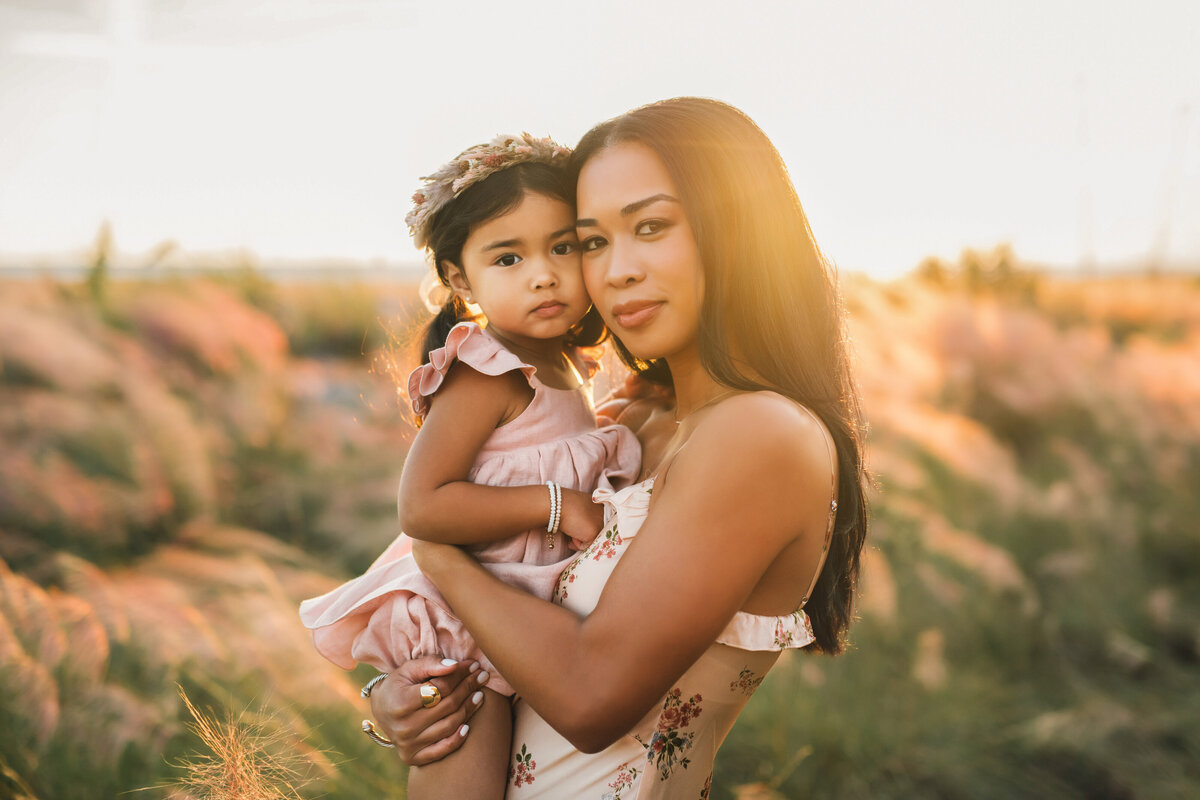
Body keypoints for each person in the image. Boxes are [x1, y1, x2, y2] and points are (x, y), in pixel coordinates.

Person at [368, 97, 869, 797]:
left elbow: (588, 700)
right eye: (592, 241)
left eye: (652, 226)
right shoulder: (625, 428)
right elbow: (511, 610)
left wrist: (438, 557)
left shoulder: (763, 434)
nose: (617, 270)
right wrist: (410, 699)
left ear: (740, 230)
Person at [298, 133, 641, 800]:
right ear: (460, 279)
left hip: (518, 617)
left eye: (562, 247)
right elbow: (423, 507)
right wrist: (554, 504)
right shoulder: (486, 371)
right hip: (464, 629)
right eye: (508, 257)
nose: (543, 274)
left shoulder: (568, 366)